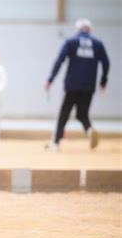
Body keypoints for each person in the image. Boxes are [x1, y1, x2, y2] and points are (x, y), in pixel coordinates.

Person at [45, 19, 110, 151]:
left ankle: (56, 143)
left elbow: (60, 60)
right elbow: (106, 63)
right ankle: (89, 130)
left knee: (64, 113)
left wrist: (50, 79)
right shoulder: (97, 44)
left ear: (78, 29)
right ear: (90, 30)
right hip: (89, 85)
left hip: (72, 84)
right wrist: (103, 81)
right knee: (82, 114)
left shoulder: (71, 42)